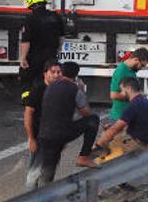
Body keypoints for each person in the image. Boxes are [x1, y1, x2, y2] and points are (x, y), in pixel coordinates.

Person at [26, 62, 98, 191]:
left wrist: (32, 137)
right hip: (61, 133)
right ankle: (83, 156)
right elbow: (85, 112)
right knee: (93, 120)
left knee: (37, 170)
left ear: (62, 73)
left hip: (44, 134)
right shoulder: (74, 89)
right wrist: (81, 91)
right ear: (76, 75)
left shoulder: (50, 87)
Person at [94, 77, 148, 164]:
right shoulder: (147, 103)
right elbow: (138, 124)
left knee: (99, 162)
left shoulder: (134, 106)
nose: (121, 94)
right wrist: (111, 127)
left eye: (122, 90)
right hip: (144, 141)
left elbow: (114, 130)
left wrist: (97, 145)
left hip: (134, 144)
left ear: (128, 88)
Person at [19, 0, 64, 91]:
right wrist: (57, 50)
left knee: (28, 83)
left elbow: (26, 41)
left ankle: (31, 103)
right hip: (50, 57)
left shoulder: (30, 19)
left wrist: (23, 58)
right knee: (50, 84)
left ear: (31, 0)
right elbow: (61, 37)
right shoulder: (55, 16)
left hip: (34, 59)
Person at [22, 60, 62, 158]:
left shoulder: (60, 89)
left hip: (55, 135)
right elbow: (28, 114)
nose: (56, 75)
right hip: (40, 135)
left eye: (59, 72)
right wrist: (31, 138)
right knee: (37, 167)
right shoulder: (37, 91)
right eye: (53, 72)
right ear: (45, 74)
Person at [108, 48, 148, 124]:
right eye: (141, 65)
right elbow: (114, 95)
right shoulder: (121, 71)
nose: (141, 68)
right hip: (120, 118)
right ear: (136, 59)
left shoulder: (130, 70)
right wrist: (135, 96)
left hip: (128, 117)